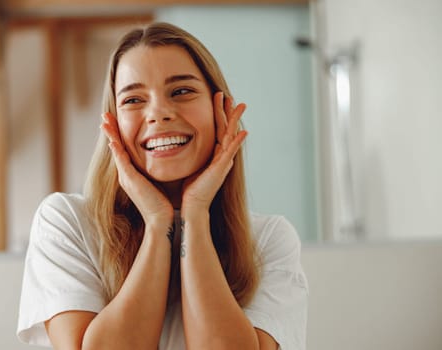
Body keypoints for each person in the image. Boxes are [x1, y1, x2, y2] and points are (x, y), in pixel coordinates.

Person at [17, 22, 308, 350]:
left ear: (220, 111)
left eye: (181, 91)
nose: (159, 113)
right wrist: (159, 224)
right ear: (112, 123)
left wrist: (195, 215)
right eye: (133, 99)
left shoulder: (270, 241)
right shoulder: (66, 222)